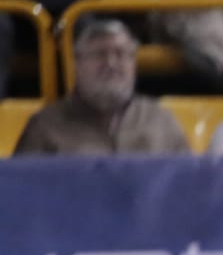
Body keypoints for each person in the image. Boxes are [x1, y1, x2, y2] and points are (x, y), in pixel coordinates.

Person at [15, 19, 189, 155]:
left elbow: (187, 188)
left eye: (120, 54)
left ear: (133, 63)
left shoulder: (161, 121)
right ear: (77, 64)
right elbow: (24, 193)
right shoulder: (45, 126)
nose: (111, 63)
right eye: (99, 54)